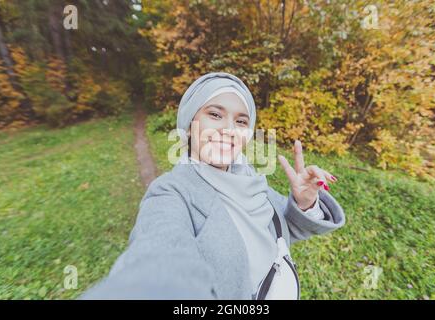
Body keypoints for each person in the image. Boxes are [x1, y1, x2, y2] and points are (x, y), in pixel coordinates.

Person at [80, 72, 345, 300]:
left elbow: (285, 230)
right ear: (190, 123)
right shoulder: (171, 193)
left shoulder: (251, 181)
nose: (229, 129)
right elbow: (160, 258)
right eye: (215, 114)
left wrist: (305, 202)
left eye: (241, 121)